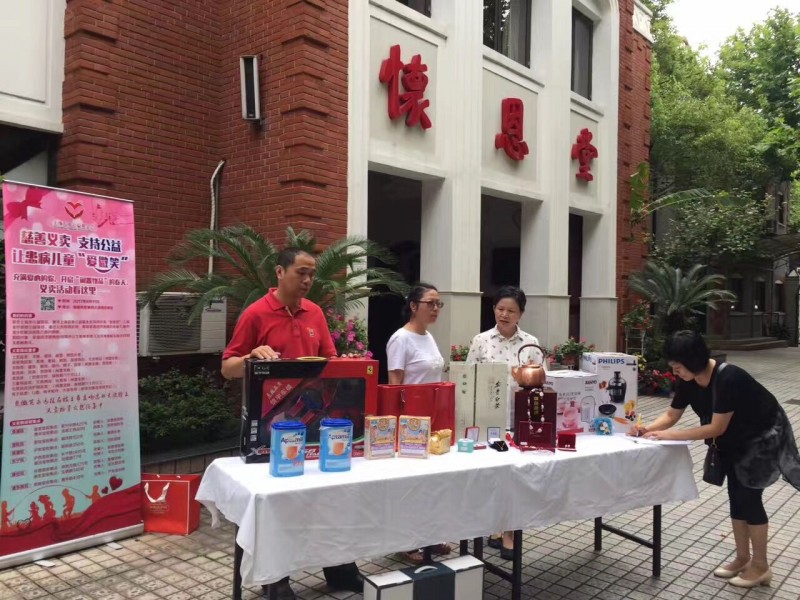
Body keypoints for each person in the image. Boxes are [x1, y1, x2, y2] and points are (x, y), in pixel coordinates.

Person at [221, 247, 362, 600]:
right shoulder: (256, 314)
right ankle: (276, 579)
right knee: (278, 504)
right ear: (280, 272)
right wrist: (251, 356)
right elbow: (227, 367)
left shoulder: (314, 312)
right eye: (302, 272)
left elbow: (330, 361)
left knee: (329, 497)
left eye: (312, 274)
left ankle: (340, 567)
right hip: (271, 427)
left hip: (316, 421)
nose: (309, 280)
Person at [630, 330, 800, 589]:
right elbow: (672, 414)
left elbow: (715, 428)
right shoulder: (689, 379)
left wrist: (666, 435)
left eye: (678, 367)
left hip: (761, 437)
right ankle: (743, 558)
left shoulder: (728, 378)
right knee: (736, 494)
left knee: (749, 497)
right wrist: (647, 429)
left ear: (694, 361)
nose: (675, 373)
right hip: (734, 438)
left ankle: (761, 566)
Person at [466, 285, 543, 560]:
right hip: (487, 421)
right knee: (490, 477)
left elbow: (540, 385)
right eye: (500, 309)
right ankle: (493, 527)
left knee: (515, 477)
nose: (504, 314)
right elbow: (468, 379)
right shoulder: (481, 341)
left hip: (519, 418)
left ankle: (509, 531)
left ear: (521, 313)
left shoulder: (531, 344)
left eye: (511, 310)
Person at [385, 282, 450, 563]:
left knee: (431, 483)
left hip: (434, 420)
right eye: (430, 303)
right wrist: (397, 429)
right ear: (413, 306)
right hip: (410, 422)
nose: (435, 309)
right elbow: (394, 385)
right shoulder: (401, 339)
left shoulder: (428, 336)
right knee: (410, 484)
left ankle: (429, 537)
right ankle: (406, 541)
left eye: (438, 304)